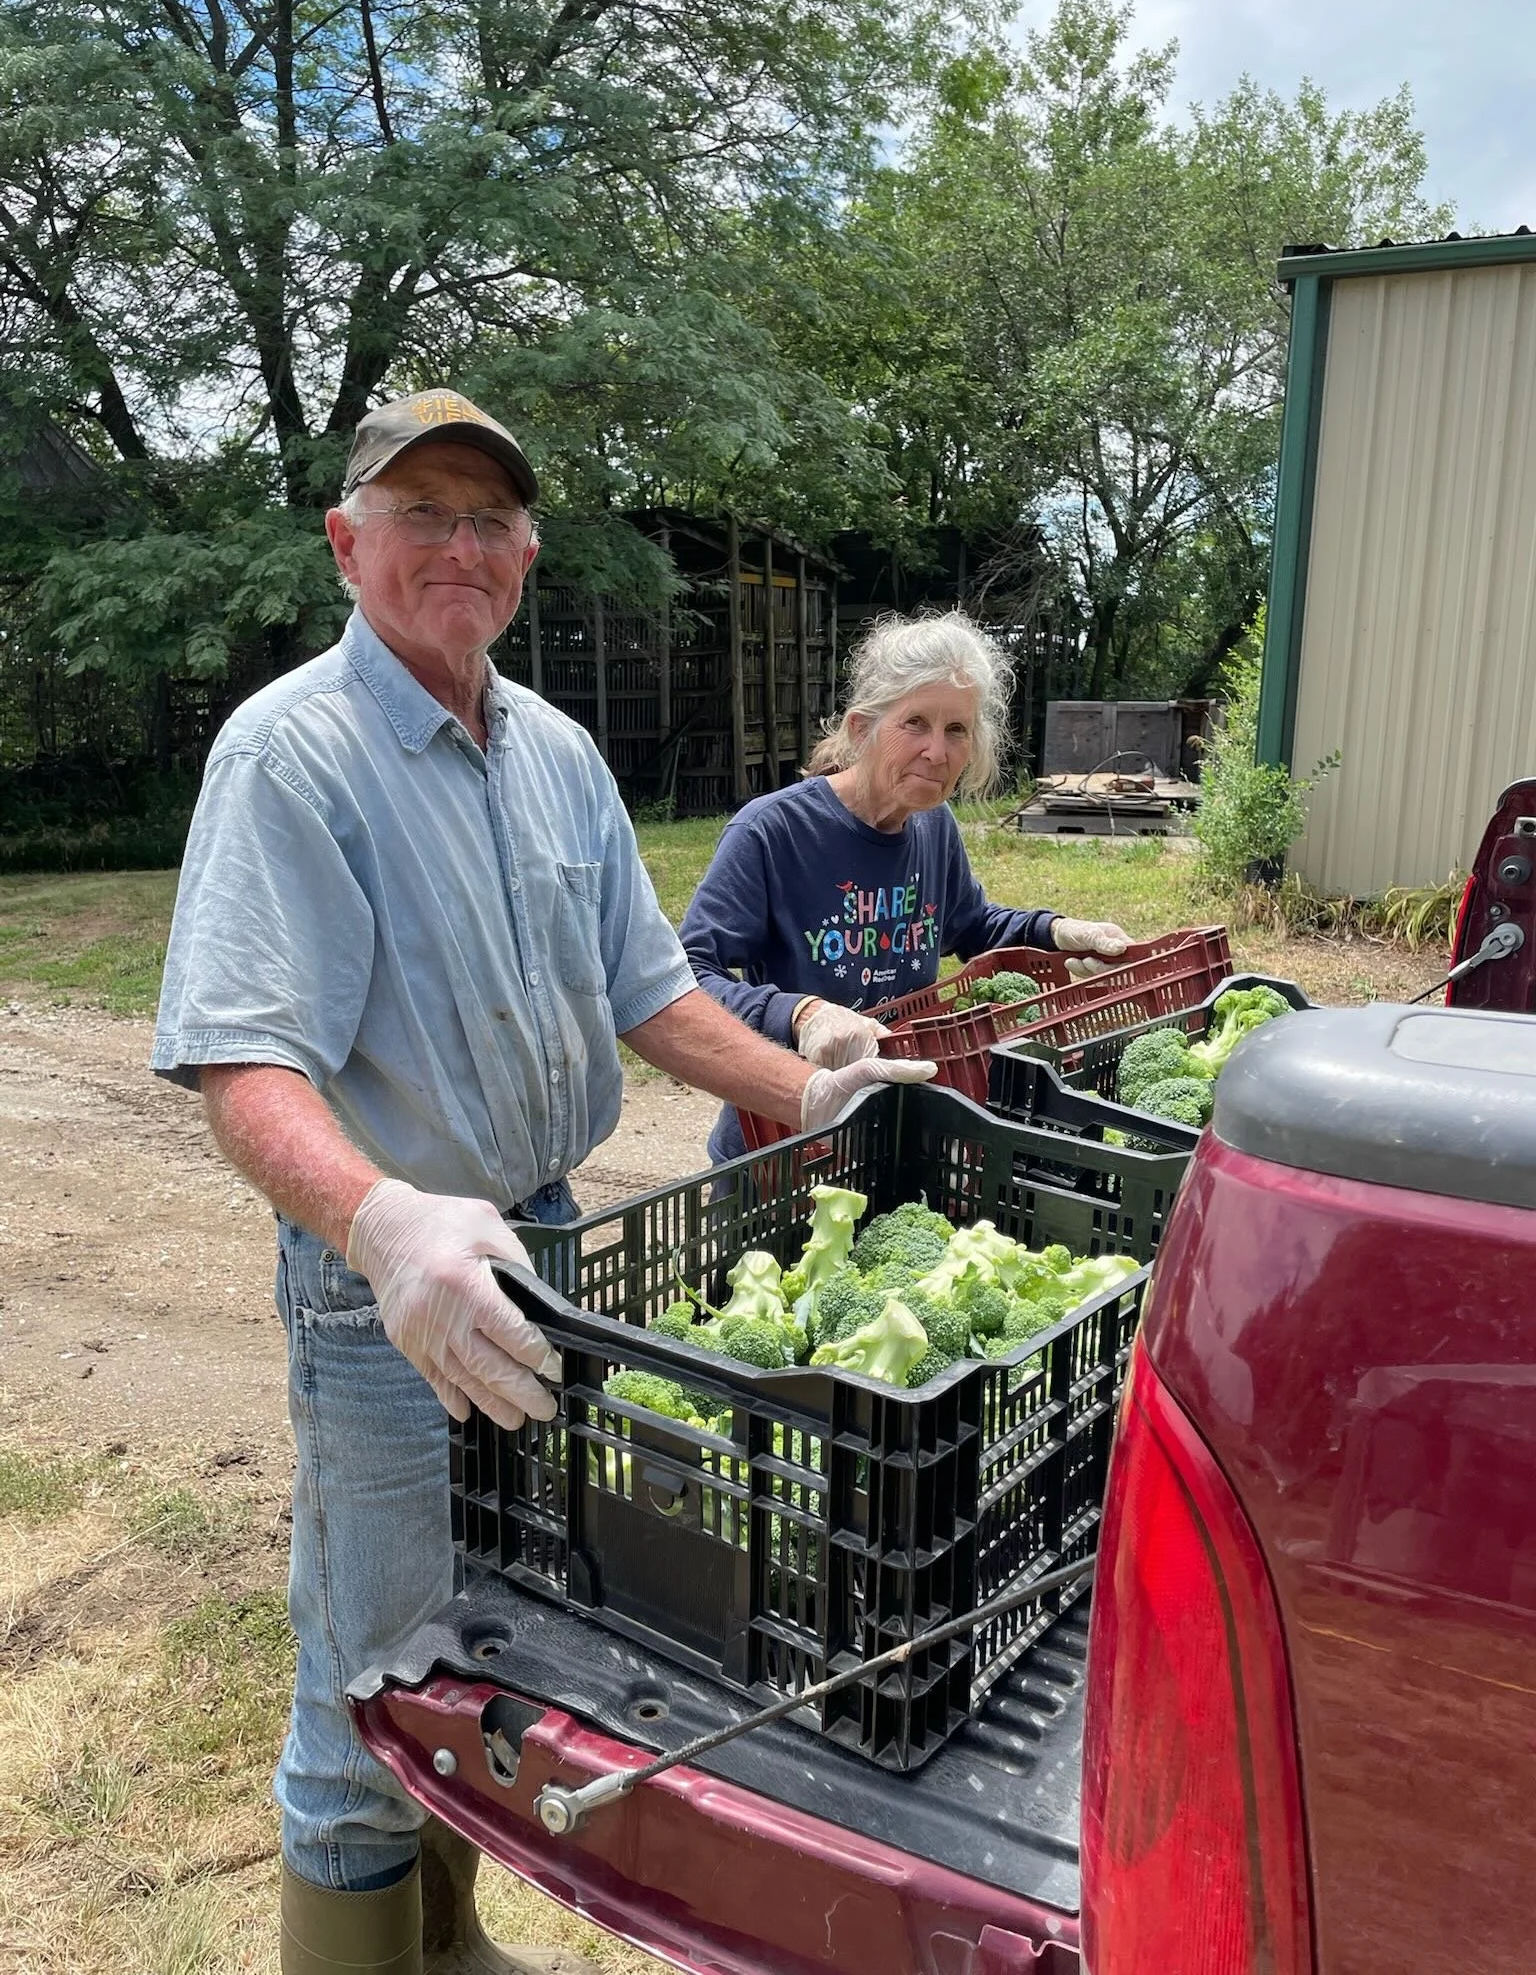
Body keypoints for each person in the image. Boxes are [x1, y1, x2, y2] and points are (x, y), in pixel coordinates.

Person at [150, 388, 931, 1975]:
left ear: (526, 555)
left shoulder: (559, 754)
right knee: (366, 1673)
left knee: (498, 1628)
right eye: (422, 513)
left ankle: (449, 1941)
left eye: (491, 518)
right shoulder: (291, 754)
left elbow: (650, 993)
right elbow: (241, 1061)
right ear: (346, 541)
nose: (461, 545)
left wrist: (807, 1086)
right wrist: (382, 1224)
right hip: (391, 1292)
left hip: (551, 1247)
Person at [681, 610, 1133, 1161]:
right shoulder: (772, 832)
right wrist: (802, 1015)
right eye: (915, 722)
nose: (937, 752)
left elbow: (969, 925)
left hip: (896, 1127)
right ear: (860, 728)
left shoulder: (933, 824)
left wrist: (1058, 931)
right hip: (784, 1136)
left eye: (956, 730)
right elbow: (689, 975)